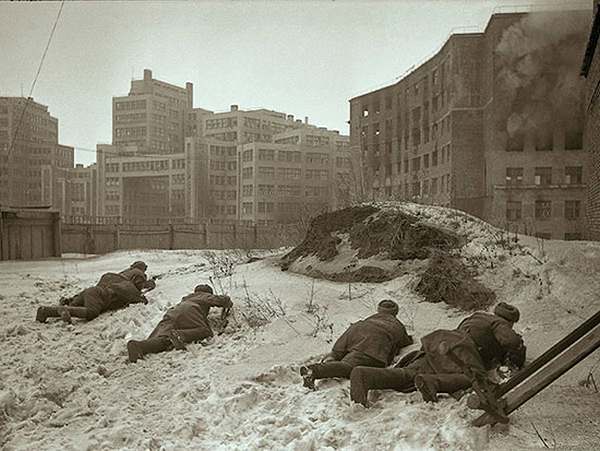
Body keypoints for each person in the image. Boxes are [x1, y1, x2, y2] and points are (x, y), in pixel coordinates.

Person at [349, 302, 526, 407]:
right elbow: (510, 341)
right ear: (509, 321)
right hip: (463, 350)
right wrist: (519, 347)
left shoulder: (476, 316)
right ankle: (434, 382)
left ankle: (366, 375)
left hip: (440, 343)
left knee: (411, 374)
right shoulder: (498, 323)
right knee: (474, 378)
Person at [299, 300, 413, 390]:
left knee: (347, 364)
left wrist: (336, 353)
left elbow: (347, 336)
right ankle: (314, 371)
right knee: (349, 368)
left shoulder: (365, 322)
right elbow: (405, 341)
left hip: (357, 350)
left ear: (378, 310)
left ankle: (326, 366)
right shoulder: (397, 326)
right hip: (375, 355)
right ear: (395, 313)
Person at [127, 284, 233, 363]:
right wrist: (227, 301)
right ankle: (180, 334)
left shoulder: (186, 298)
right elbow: (221, 300)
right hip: (191, 310)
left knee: (164, 340)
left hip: (172, 312)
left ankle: (139, 346)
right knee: (205, 331)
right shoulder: (203, 295)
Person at [36, 278, 147, 324]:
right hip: (98, 296)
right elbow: (140, 300)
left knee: (74, 305)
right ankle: (64, 309)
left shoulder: (119, 282)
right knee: (92, 312)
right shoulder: (129, 288)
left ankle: (45, 311)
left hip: (90, 291)